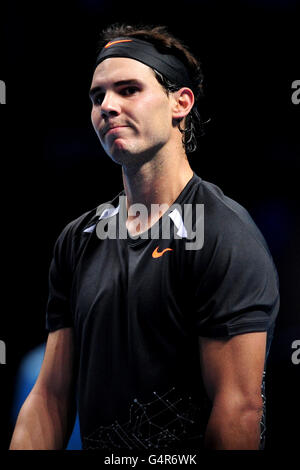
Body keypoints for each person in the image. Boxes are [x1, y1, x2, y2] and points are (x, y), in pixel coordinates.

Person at [9, 23, 279, 451]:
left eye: (129, 90)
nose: (107, 107)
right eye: (97, 96)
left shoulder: (223, 233)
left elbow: (239, 408)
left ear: (180, 102)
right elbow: (49, 398)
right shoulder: (77, 239)